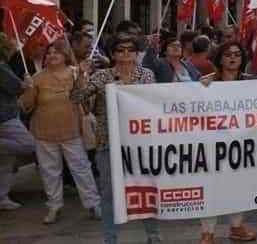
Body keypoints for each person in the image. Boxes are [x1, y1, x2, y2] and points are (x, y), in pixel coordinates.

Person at [70, 33, 161, 244]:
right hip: (108, 142)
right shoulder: (102, 76)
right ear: (113, 53)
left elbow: (158, 101)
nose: (126, 53)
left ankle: (153, 234)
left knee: (145, 189)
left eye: (130, 49)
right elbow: (76, 98)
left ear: (137, 52)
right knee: (109, 193)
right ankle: (109, 239)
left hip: (140, 144)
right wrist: (80, 76)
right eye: (120, 49)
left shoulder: (146, 75)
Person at [18, 40, 101, 224]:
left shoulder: (75, 72)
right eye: (49, 53)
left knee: (81, 169)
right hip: (44, 133)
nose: (52, 55)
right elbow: (26, 106)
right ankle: (54, 206)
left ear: (65, 55)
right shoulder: (37, 78)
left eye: (56, 52)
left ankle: (93, 204)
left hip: (71, 132)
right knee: (50, 172)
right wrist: (28, 88)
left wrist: (82, 75)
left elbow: (84, 99)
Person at [197, 41, 257, 243]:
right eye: (228, 54)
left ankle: (237, 226)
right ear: (220, 58)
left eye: (237, 54)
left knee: (238, 185)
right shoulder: (207, 82)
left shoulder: (251, 82)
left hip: (241, 143)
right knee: (210, 186)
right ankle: (208, 232)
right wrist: (200, 89)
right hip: (212, 144)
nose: (233, 58)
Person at [1, 53, 36, 211]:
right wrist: (27, 83)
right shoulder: (1, 66)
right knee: (29, 145)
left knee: (5, 161)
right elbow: (16, 86)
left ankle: (2, 197)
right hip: (5, 117)